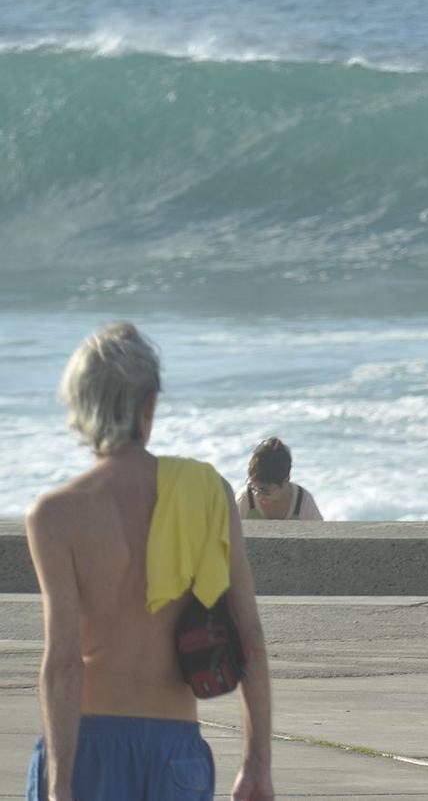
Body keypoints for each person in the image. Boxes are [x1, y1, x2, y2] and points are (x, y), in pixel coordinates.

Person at [24, 322, 275, 801]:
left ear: (79, 408)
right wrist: (257, 764)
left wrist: (59, 785)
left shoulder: (55, 516)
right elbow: (251, 642)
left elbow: (63, 663)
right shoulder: (210, 495)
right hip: (174, 754)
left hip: (87, 748)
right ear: (149, 407)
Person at [236, 436, 324, 521]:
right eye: (253, 486)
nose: (256, 494)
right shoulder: (245, 499)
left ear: (286, 480)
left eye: (264, 490)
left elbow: (321, 533)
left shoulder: (303, 502)